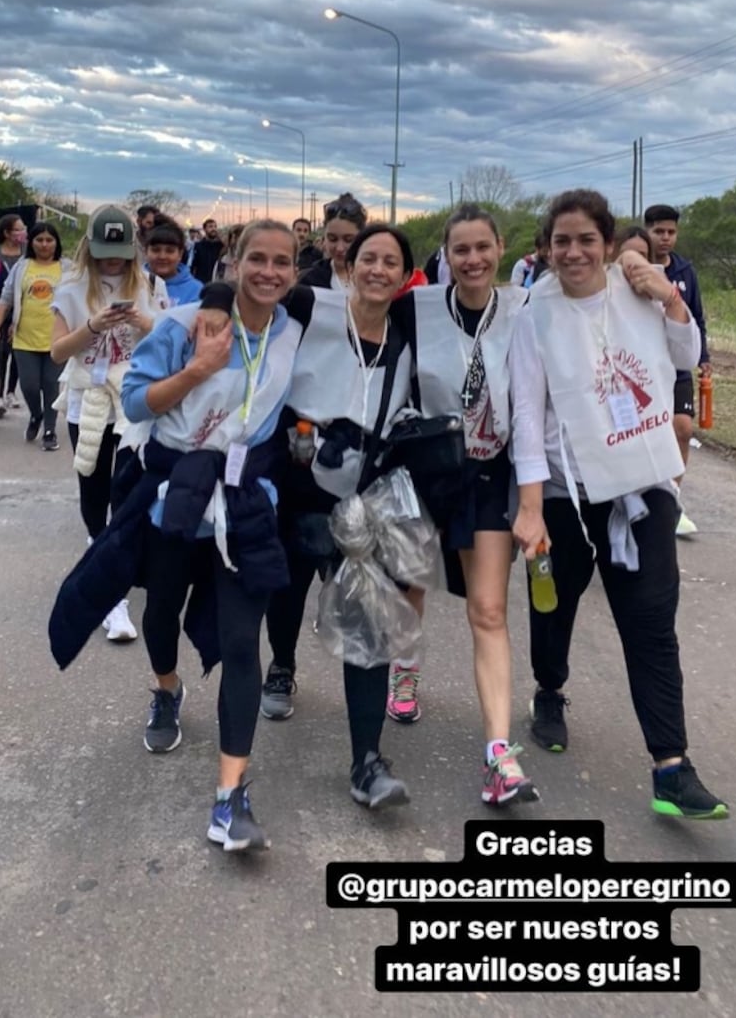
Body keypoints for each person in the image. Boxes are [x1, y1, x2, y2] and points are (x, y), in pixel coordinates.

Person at [511, 188, 728, 820]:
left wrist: (669, 297)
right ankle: (549, 690)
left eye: (586, 240)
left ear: (607, 245)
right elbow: (528, 416)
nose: (573, 251)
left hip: (643, 486)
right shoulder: (533, 314)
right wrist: (529, 505)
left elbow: (688, 356)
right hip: (566, 495)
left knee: (652, 626)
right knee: (554, 608)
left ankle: (671, 767)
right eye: (561, 241)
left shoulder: (640, 292)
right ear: (546, 249)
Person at [119, 220, 305, 850]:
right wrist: (198, 368)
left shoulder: (294, 331)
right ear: (233, 260)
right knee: (163, 610)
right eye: (258, 258)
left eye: (283, 262)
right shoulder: (185, 323)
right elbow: (136, 402)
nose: (270, 272)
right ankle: (167, 687)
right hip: (176, 494)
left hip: (246, 501)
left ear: (295, 271)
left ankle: (231, 796)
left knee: (240, 642)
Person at [261, 223, 417, 810]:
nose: (379, 270)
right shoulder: (310, 306)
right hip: (300, 479)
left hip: (367, 495)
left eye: (391, 263)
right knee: (289, 588)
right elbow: (248, 296)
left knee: (369, 627)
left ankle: (366, 763)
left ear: (405, 277)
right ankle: (281, 665)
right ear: (348, 264)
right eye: (368, 259)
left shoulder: (408, 333)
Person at [394, 203, 535, 803]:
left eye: (482, 247)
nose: (472, 259)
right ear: (445, 257)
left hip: (489, 473)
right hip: (428, 468)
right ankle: (404, 671)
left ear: (501, 248)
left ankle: (498, 756)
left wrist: (532, 500)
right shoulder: (417, 308)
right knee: (411, 586)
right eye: (460, 250)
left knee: (488, 611)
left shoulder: (526, 311)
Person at [50, 205, 167, 642]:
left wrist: (143, 321)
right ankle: (101, 564)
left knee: (129, 489)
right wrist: (94, 326)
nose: (112, 261)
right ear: (90, 248)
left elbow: (165, 338)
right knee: (93, 488)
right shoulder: (72, 288)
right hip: (89, 399)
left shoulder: (147, 283)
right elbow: (58, 352)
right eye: (104, 251)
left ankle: (115, 584)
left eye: (119, 251)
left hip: (132, 400)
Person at [643, 204, 709, 538]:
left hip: (678, 365)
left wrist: (704, 357)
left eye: (671, 232)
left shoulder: (685, 270)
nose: (665, 238)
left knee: (682, 429)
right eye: (659, 231)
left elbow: (696, 316)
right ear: (647, 231)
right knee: (648, 434)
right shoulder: (636, 270)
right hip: (644, 368)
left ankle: (672, 501)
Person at [0, 221, 71, 449]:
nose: (44, 244)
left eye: (49, 240)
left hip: (57, 340)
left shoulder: (68, 268)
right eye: (39, 240)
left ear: (57, 243)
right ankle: (36, 414)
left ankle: (50, 431)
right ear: (32, 242)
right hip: (24, 338)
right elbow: (6, 298)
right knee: (29, 386)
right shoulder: (23, 267)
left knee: (51, 385)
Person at [299, 194, 368, 289]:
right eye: (332, 239)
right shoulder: (308, 282)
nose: (339, 248)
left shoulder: (375, 279)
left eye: (348, 240)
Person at [0, 213, 26, 416]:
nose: (22, 232)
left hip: (21, 309)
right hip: (0, 307)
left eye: (23, 228)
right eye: (18, 229)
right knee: (0, 353)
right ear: (7, 232)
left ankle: (10, 392)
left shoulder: (27, 254)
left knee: (16, 352)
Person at [144, 217, 203, 306]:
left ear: (180, 254)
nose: (162, 256)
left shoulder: (196, 290)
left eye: (170, 251)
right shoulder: (131, 285)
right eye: (156, 250)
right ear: (146, 252)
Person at [190, 217, 224, 284]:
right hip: (201, 282)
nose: (213, 229)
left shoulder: (221, 246)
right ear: (205, 229)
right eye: (210, 227)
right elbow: (193, 265)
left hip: (217, 283)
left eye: (215, 226)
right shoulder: (198, 246)